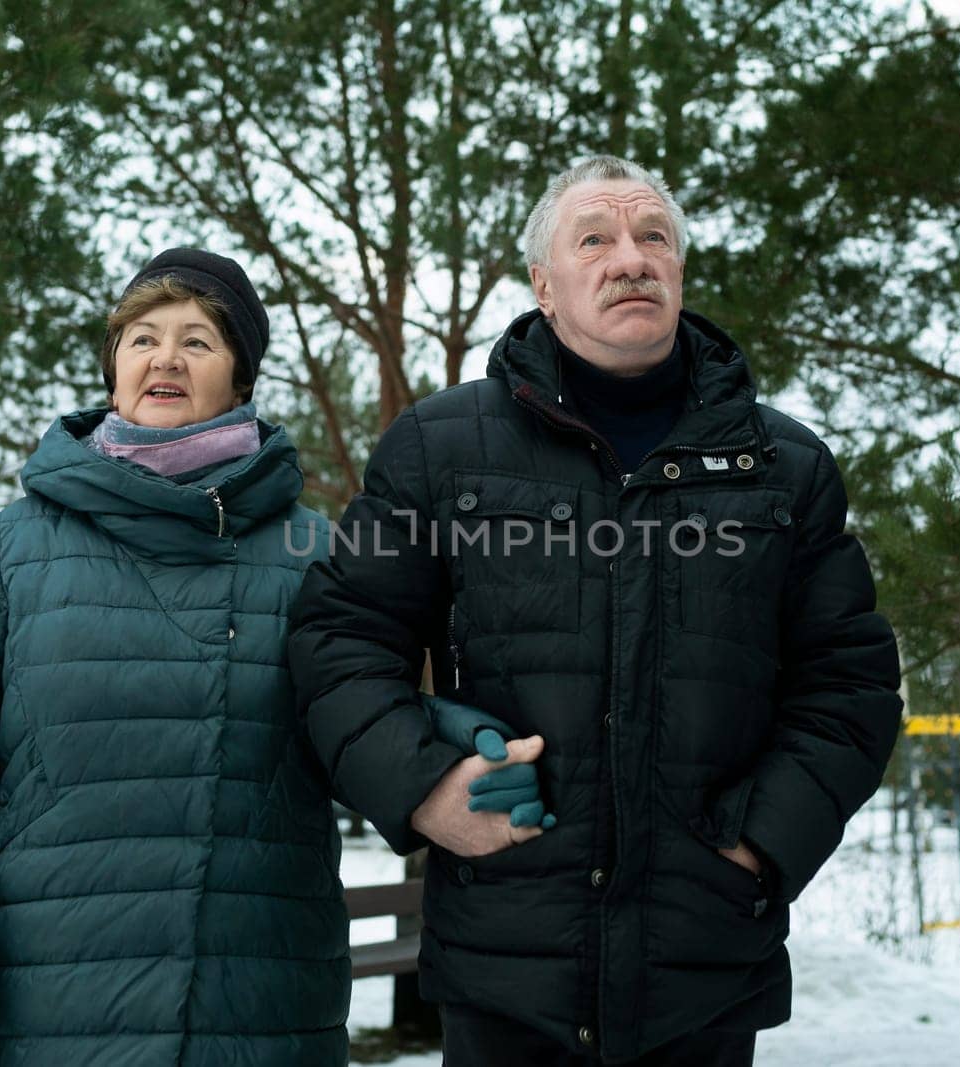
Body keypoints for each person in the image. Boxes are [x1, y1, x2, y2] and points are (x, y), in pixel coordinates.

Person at [289, 157, 903, 1065]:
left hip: (702, 974)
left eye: (653, 236)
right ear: (544, 284)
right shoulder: (440, 448)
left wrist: (759, 843)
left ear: (681, 272)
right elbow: (339, 640)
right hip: (506, 969)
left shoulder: (784, 467)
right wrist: (424, 790)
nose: (631, 258)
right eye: (596, 239)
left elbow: (850, 684)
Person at [0, 249, 349, 1066]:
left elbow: (374, 726)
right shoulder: (15, 550)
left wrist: (449, 745)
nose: (165, 357)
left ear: (239, 382)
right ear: (114, 370)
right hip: (45, 1025)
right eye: (141, 338)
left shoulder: (313, 553)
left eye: (198, 341)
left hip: (263, 1023)